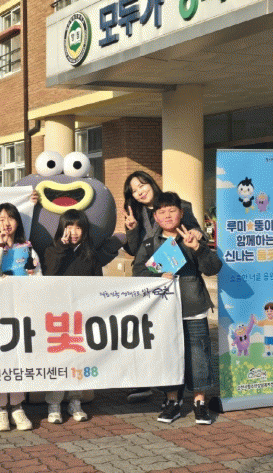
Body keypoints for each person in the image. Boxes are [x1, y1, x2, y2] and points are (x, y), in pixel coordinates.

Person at [132, 192, 222, 426]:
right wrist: (157, 275)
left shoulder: (191, 238)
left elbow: (213, 268)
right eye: (161, 212)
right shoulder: (150, 243)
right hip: (163, 312)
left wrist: (198, 248)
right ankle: (172, 400)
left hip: (193, 307)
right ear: (155, 217)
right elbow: (137, 272)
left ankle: (199, 402)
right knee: (169, 355)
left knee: (199, 355)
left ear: (181, 213)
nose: (167, 215)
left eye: (172, 210)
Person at [121, 171, 202, 403]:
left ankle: (180, 390)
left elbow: (195, 232)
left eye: (142, 185)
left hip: (178, 277)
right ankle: (149, 382)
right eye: (134, 190)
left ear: (151, 183)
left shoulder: (178, 205)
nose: (140, 191)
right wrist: (132, 228)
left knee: (178, 336)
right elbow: (134, 250)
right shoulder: (135, 213)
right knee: (150, 331)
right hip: (150, 276)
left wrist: (197, 233)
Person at [44, 208, 113, 424]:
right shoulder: (51, 250)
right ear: (61, 229)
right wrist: (61, 248)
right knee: (58, 360)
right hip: (58, 318)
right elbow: (49, 275)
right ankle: (54, 403)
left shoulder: (91, 255)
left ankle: (75, 400)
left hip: (81, 317)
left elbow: (97, 286)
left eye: (78, 227)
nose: (73, 232)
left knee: (79, 359)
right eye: (69, 226)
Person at [0, 203, 39, 432]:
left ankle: (17, 405)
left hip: (21, 310)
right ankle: (0, 408)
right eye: (1, 219)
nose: (6, 223)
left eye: (11, 218)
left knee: (17, 357)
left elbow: (38, 275)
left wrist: (32, 277)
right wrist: (0, 246)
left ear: (18, 222)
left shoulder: (28, 248)